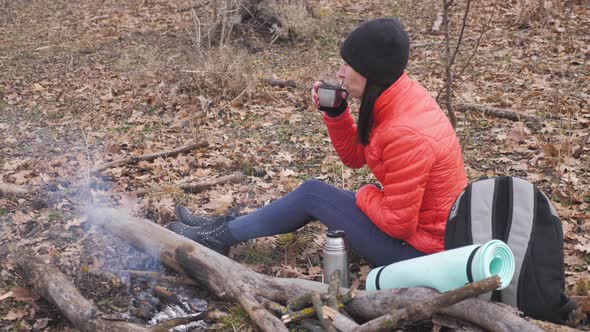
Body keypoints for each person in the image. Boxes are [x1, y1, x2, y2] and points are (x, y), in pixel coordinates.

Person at [168, 18, 467, 267]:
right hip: (418, 236)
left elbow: (397, 224)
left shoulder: (406, 132)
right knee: (314, 193)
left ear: (371, 73)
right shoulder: (396, 97)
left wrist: (366, 193)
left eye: (348, 65)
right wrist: (336, 114)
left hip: (420, 254)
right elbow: (354, 157)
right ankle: (220, 228)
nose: (339, 72)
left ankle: (219, 237)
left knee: (314, 195)